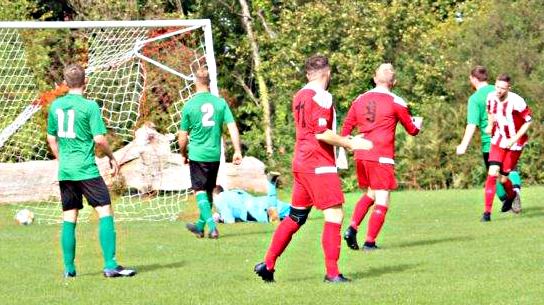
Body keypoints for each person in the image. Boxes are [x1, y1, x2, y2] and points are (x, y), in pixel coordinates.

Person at [254, 55, 372, 283]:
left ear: (308, 75)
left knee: (296, 216)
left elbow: (312, 130)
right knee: (335, 215)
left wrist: (341, 140)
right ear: (327, 74)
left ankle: (267, 265)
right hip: (318, 164)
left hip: (301, 162)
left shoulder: (299, 95)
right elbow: (321, 133)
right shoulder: (322, 97)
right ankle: (332, 274)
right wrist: (350, 143)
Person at [46, 64, 136, 278]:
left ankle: (69, 269)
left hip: (66, 172)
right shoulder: (90, 107)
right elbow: (99, 139)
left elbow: (51, 139)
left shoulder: (55, 106)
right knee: (105, 211)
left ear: (65, 84)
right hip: (86, 169)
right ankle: (111, 264)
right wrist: (112, 156)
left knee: (69, 217)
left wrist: (63, 159)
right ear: (85, 82)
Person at [342, 63, 422, 251]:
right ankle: (370, 242)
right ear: (394, 82)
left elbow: (347, 126)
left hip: (361, 154)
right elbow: (412, 130)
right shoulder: (396, 101)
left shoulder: (359, 99)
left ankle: (352, 227)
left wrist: (346, 146)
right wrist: (418, 123)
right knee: (383, 197)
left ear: (375, 78)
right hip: (381, 154)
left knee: (371, 193)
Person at [179, 67, 243, 239]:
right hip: (215, 155)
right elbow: (232, 127)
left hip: (198, 154)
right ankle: (200, 227)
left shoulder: (189, 105)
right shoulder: (220, 103)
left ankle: (212, 227)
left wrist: (183, 153)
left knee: (199, 191)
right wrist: (237, 150)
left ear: (195, 83)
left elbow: (182, 137)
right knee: (208, 191)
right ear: (209, 83)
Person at [456, 66, 523, 213]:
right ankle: (515, 191)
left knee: (494, 175)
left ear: (473, 79)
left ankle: (508, 202)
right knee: (510, 170)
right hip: (511, 138)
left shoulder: (474, 99)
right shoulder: (500, 89)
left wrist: (463, 145)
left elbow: (472, 124)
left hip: (491, 143)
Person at [480, 74, 531, 222]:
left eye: (502, 88)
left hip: (515, 143)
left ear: (509, 88)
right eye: (497, 87)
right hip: (498, 139)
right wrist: (490, 125)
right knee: (492, 172)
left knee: (503, 180)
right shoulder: (490, 96)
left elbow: (528, 121)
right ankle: (486, 213)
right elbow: (490, 112)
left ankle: (512, 195)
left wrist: (514, 139)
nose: (499, 90)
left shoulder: (517, 101)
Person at [213, 178, 290, 223]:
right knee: (296, 211)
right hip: (262, 200)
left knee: (275, 217)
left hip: (256, 211)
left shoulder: (218, 198)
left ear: (214, 194)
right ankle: (271, 183)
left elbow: (230, 220)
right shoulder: (234, 191)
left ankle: (271, 183)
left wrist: (220, 220)